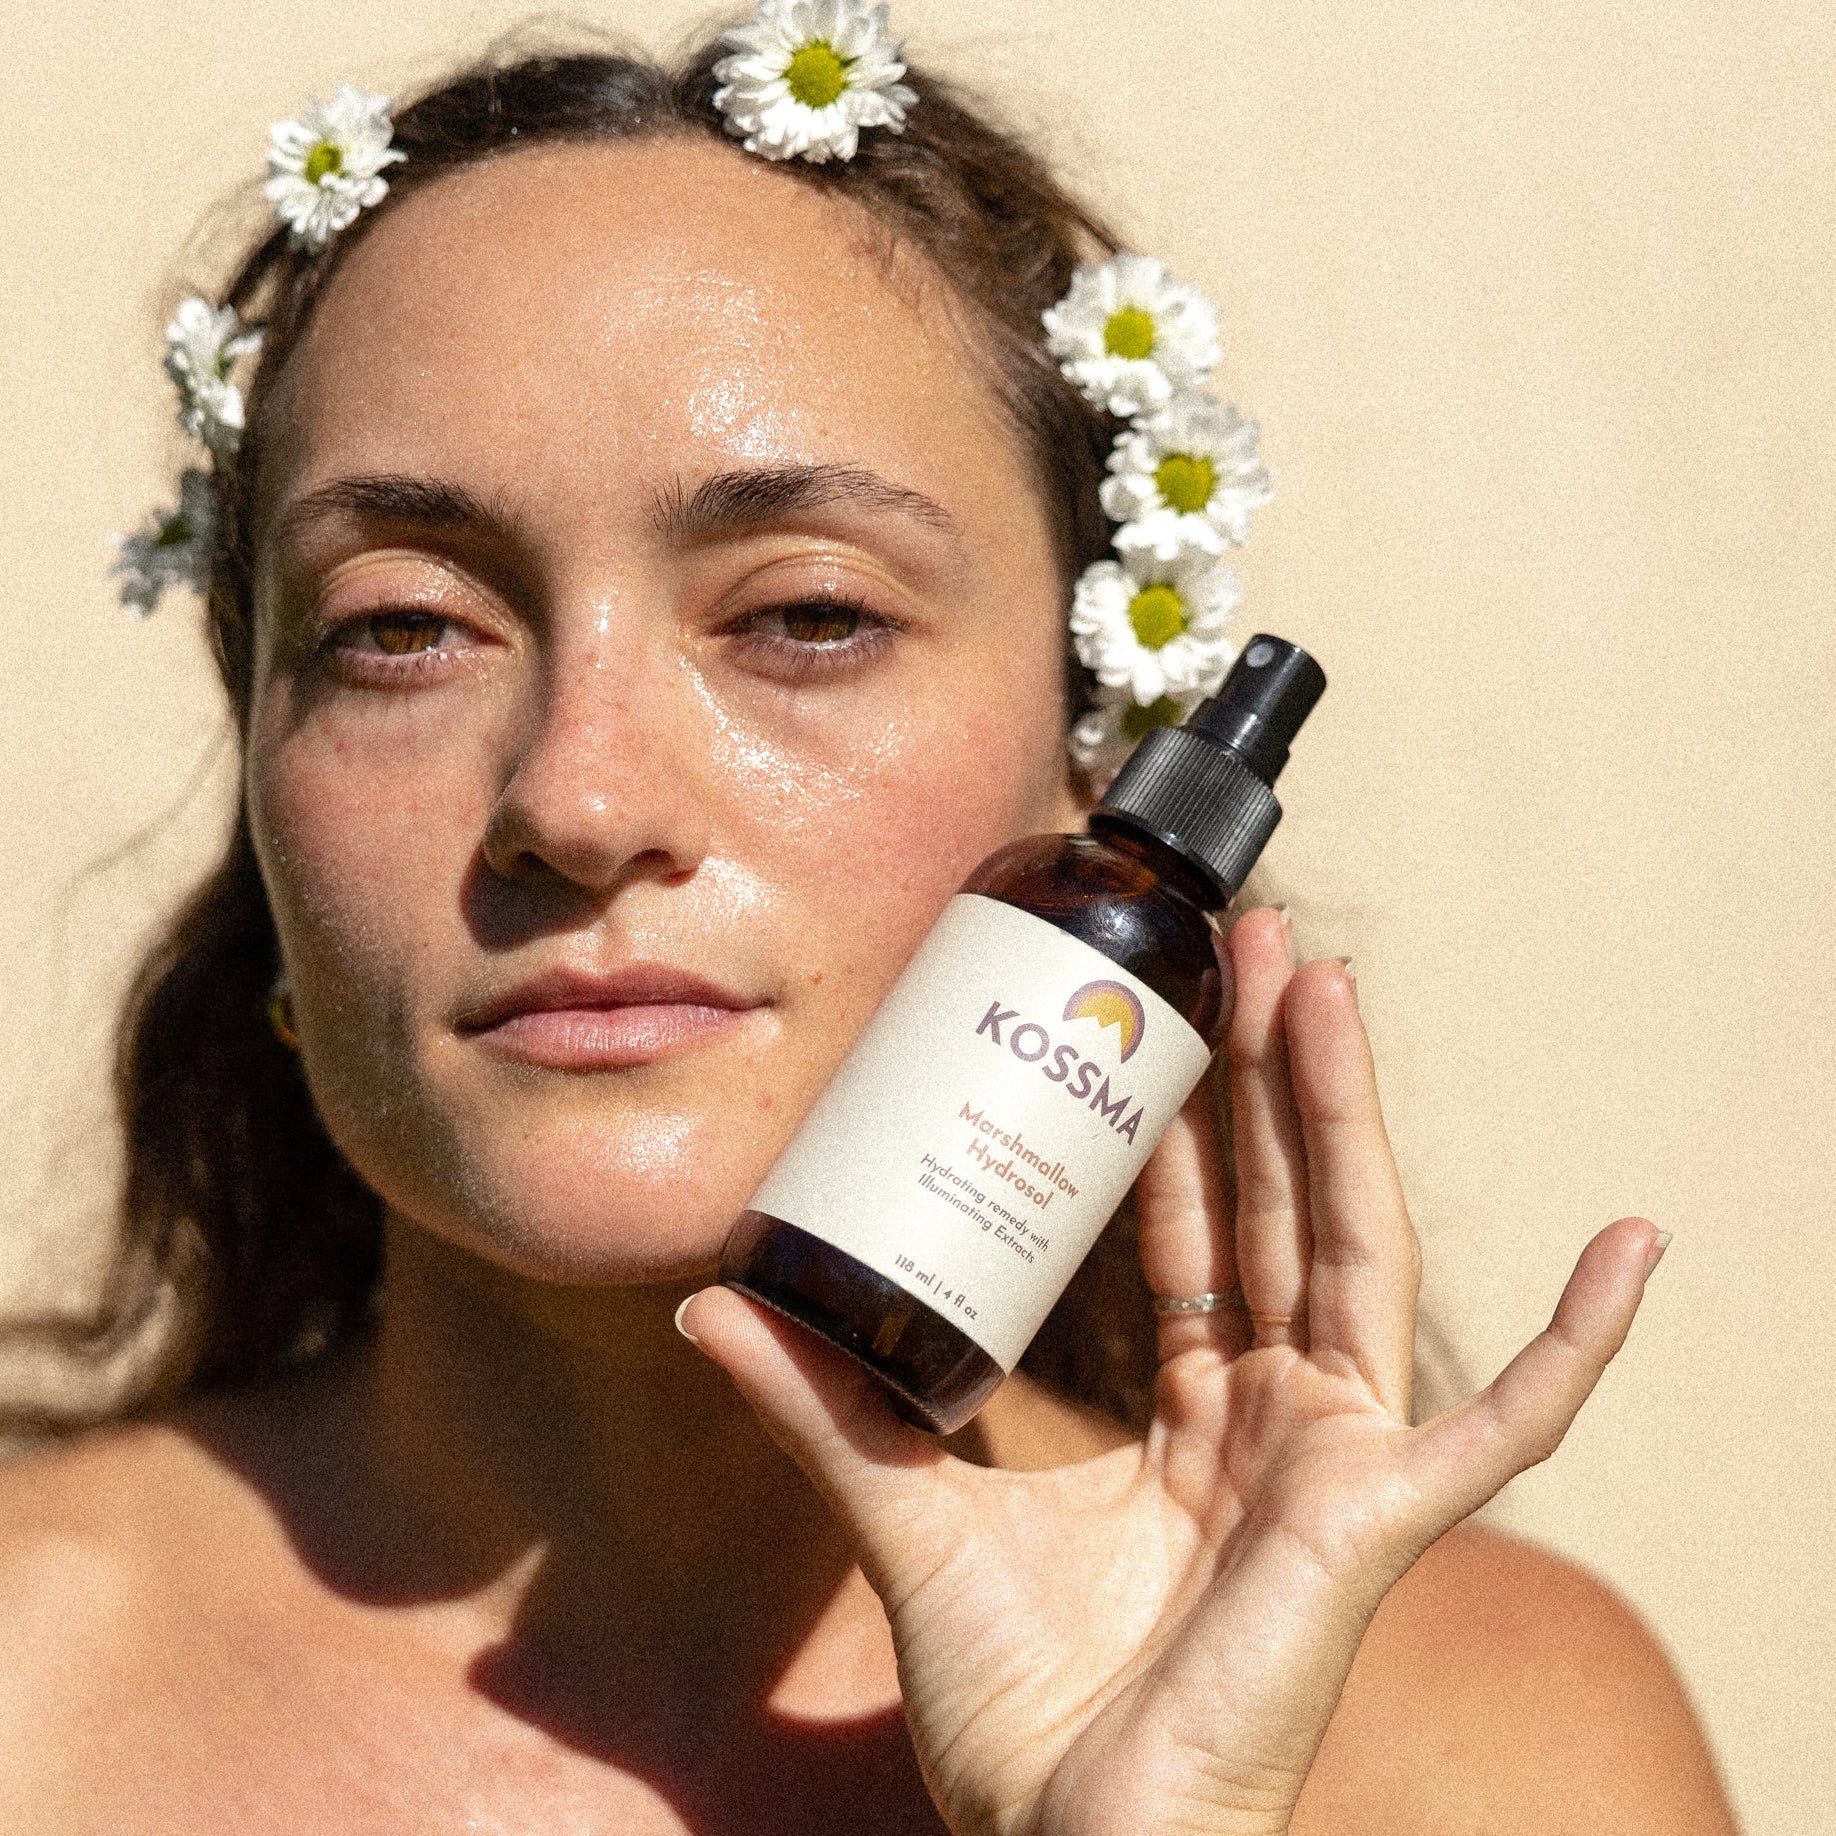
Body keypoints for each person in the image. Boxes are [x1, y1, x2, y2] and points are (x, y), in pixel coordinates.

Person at [0, 21, 1737, 1833]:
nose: (580, 800)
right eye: (403, 627)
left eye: (809, 617)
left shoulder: (1502, 1745)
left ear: (1095, 773)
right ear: (260, 774)